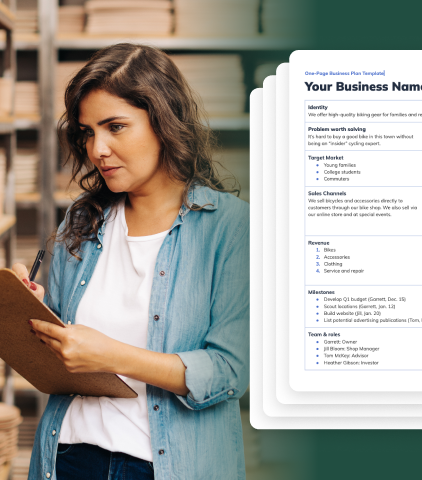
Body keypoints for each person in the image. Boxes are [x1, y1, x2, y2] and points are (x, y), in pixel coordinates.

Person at [12, 43, 250, 480]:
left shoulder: (231, 227)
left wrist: (112, 355)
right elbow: (64, 358)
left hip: (166, 466)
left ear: (164, 122)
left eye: (115, 127)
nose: (97, 149)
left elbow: (230, 371)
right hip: (67, 457)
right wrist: (30, 313)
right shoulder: (82, 220)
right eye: (87, 132)